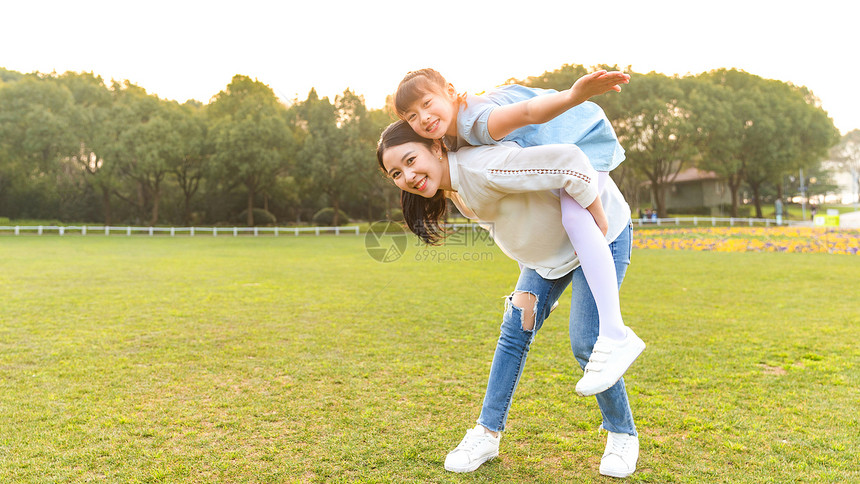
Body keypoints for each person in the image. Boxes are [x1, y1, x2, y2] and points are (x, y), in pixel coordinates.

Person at [377, 120, 641, 478]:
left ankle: (622, 435)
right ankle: (487, 433)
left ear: (436, 148)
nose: (407, 175)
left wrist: (596, 216)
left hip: (599, 239)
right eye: (396, 172)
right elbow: (520, 219)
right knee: (513, 331)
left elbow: (568, 160)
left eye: (411, 160)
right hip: (547, 259)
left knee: (587, 342)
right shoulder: (453, 185)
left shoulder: (479, 168)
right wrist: (536, 290)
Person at [394, 68, 643, 397]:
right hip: (564, 150)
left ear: (451, 91)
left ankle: (616, 333)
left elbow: (528, 112)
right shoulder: (450, 140)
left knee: (576, 216)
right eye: (412, 116)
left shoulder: (479, 120)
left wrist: (574, 94)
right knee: (570, 215)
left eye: (427, 103)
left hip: (583, 137)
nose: (423, 118)